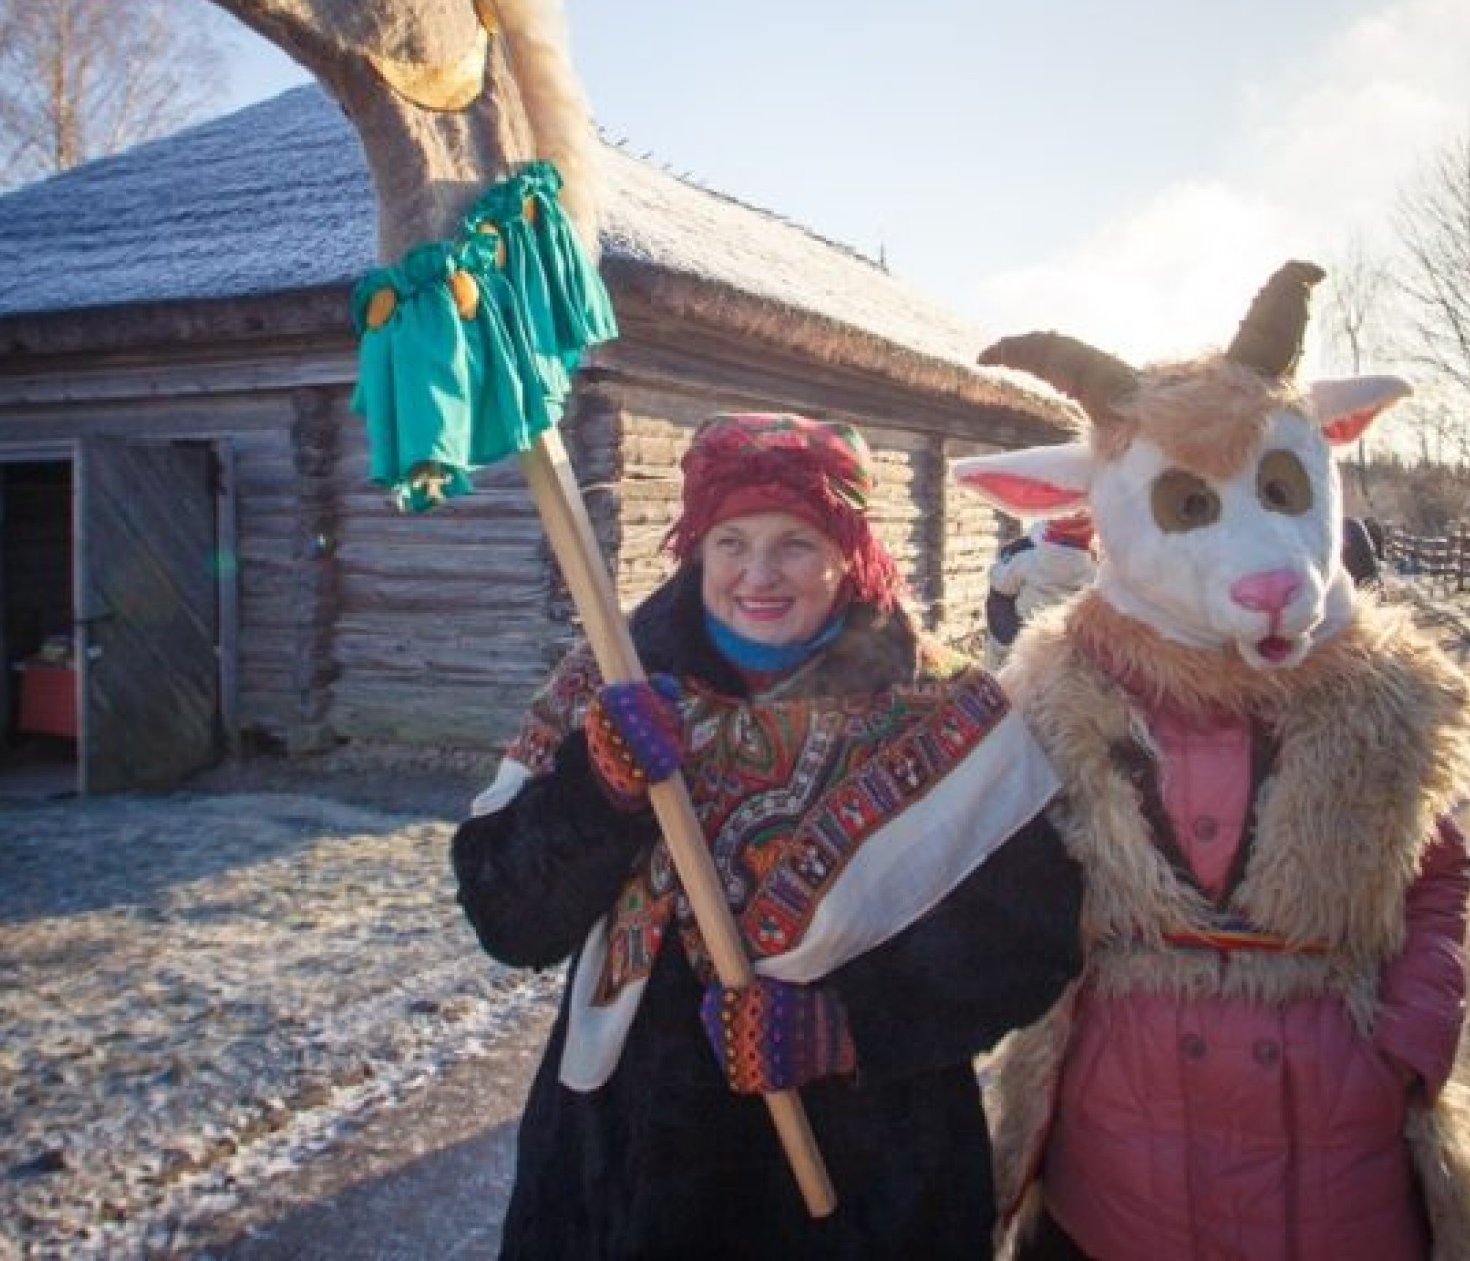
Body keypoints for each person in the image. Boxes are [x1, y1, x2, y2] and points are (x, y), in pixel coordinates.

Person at [452, 412, 1085, 1257]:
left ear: (849, 550)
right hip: (623, 1177)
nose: (759, 574)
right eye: (730, 541)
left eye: (795, 541)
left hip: (867, 1188)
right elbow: (506, 916)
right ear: (696, 550)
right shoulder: (614, 684)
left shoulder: (951, 715)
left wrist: (849, 1026)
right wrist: (594, 790)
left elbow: (1030, 943)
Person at [984, 512, 1097, 664]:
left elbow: (999, 582)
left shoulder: (1028, 559)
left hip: (1019, 636)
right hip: (1062, 645)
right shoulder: (1092, 571)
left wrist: (1007, 555)